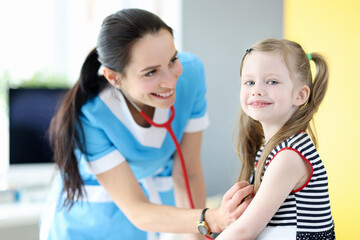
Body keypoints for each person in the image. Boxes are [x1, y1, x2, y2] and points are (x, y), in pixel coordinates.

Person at [39, 8, 253, 240]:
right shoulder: (92, 116)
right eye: (151, 72)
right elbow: (137, 210)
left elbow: (188, 171)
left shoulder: (190, 75)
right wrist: (214, 218)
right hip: (86, 222)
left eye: (172, 60)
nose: (170, 82)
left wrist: (199, 235)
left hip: (149, 217)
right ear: (114, 77)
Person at [217, 38, 335, 240]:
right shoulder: (271, 148)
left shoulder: (288, 156)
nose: (257, 89)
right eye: (249, 82)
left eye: (272, 81)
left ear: (300, 95)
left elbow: (245, 230)